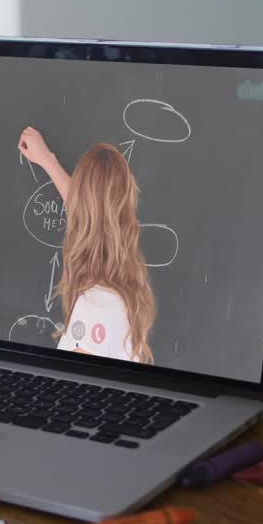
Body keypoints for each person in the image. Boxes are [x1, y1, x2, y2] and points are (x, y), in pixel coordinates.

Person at [18, 126, 156, 364]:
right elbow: (93, 214)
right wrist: (48, 161)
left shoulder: (95, 308)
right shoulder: (125, 292)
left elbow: (70, 390)